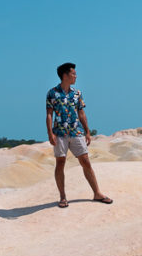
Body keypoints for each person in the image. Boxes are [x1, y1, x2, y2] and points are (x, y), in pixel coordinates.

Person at [46, 62, 112, 208]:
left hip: (76, 131)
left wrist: (87, 131)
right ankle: (63, 197)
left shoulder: (77, 93)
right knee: (60, 163)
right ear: (65, 75)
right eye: (73, 73)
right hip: (60, 133)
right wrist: (50, 133)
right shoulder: (52, 93)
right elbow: (49, 115)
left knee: (85, 161)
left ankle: (97, 193)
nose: (76, 76)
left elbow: (81, 113)